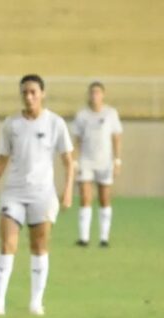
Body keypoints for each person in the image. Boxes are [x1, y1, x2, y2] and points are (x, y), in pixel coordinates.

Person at [0, 74, 75, 316]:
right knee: (7, 244)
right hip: (13, 193)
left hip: (42, 195)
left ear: (42, 94)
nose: (29, 96)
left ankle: (36, 302)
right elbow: (2, 158)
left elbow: (68, 160)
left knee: (39, 245)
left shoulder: (55, 123)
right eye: (25, 92)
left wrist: (67, 190)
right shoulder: (11, 123)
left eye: (33, 92)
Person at [72, 82, 123, 247]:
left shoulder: (110, 113)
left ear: (103, 95)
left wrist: (117, 160)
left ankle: (104, 238)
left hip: (105, 161)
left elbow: (116, 137)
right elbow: (77, 139)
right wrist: (74, 161)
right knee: (85, 197)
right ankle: (84, 238)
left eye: (98, 92)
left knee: (104, 198)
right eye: (92, 92)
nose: (95, 95)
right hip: (86, 161)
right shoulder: (82, 115)